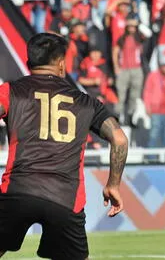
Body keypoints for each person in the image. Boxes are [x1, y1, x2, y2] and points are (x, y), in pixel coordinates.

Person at [0, 33, 128, 259]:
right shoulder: (86, 101)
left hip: (17, 191)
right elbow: (119, 139)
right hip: (65, 199)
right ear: (61, 65)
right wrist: (113, 184)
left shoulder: (10, 92)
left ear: (29, 64)